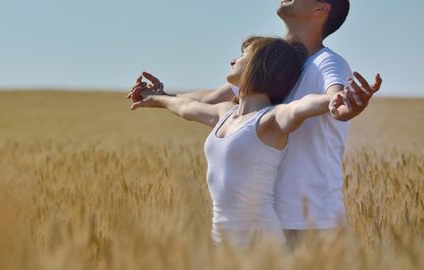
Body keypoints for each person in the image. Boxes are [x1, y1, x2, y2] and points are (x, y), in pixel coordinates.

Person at [128, 0, 382, 245]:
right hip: (271, 216)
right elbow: (211, 99)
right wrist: (162, 96)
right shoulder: (275, 66)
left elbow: (332, 95)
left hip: (309, 222)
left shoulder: (326, 62)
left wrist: (340, 106)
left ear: (322, 9)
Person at [130, 36, 350, 246]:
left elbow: (301, 106)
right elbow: (186, 107)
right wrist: (156, 97)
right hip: (221, 241)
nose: (233, 60)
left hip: (261, 244)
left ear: (261, 65)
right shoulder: (225, 113)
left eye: (244, 54)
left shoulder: (269, 119)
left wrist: (333, 99)